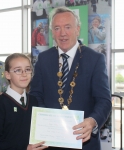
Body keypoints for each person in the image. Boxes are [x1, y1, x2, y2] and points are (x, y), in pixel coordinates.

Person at [30, 6, 111, 150]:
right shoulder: (43, 59)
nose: (62, 33)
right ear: (52, 33)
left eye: (67, 27)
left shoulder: (96, 59)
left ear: (77, 30)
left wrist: (93, 121)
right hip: (50, 142)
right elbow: (36, 95)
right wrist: (46, 120)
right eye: (57, 28)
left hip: (84, 141)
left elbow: (104, 100)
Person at [0, 53, 48, 150]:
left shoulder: (33, 101)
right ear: (7, 75)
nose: (24, 74)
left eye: (27, 69)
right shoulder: (0, 104)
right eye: (18, 70)